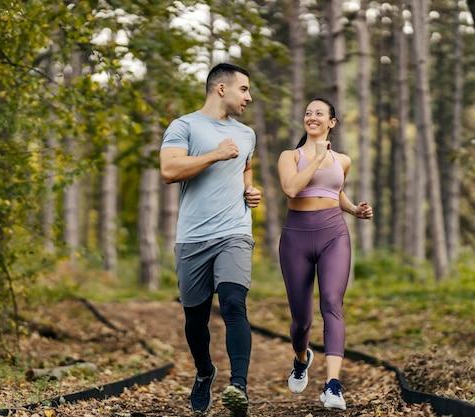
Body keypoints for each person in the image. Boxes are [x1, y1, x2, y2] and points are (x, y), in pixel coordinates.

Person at [159, 62, 261, 417]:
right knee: (195, 319)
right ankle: (205, 372)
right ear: (222, 89)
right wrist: (215, 154)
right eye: (244, 89)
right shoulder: (184, 126)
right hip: (192, 237)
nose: (248, 97)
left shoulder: (247, 134)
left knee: (234, 304)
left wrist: (250, 189)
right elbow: (170, 171)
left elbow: (245, 165)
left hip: (234, 232)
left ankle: (239, 388)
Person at [276, 98, 373, 410]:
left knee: (332, 303)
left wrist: (354, 209)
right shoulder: (289, 156)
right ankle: (301, 360)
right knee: (301, 320)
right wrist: (317, 158)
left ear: (332, 122)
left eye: (319, 113)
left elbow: (336, 191)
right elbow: (292, 189)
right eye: (308, 112)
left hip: (334, 234)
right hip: (296, 238)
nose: (312, 116)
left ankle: (333, 385)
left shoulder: (342, 160)